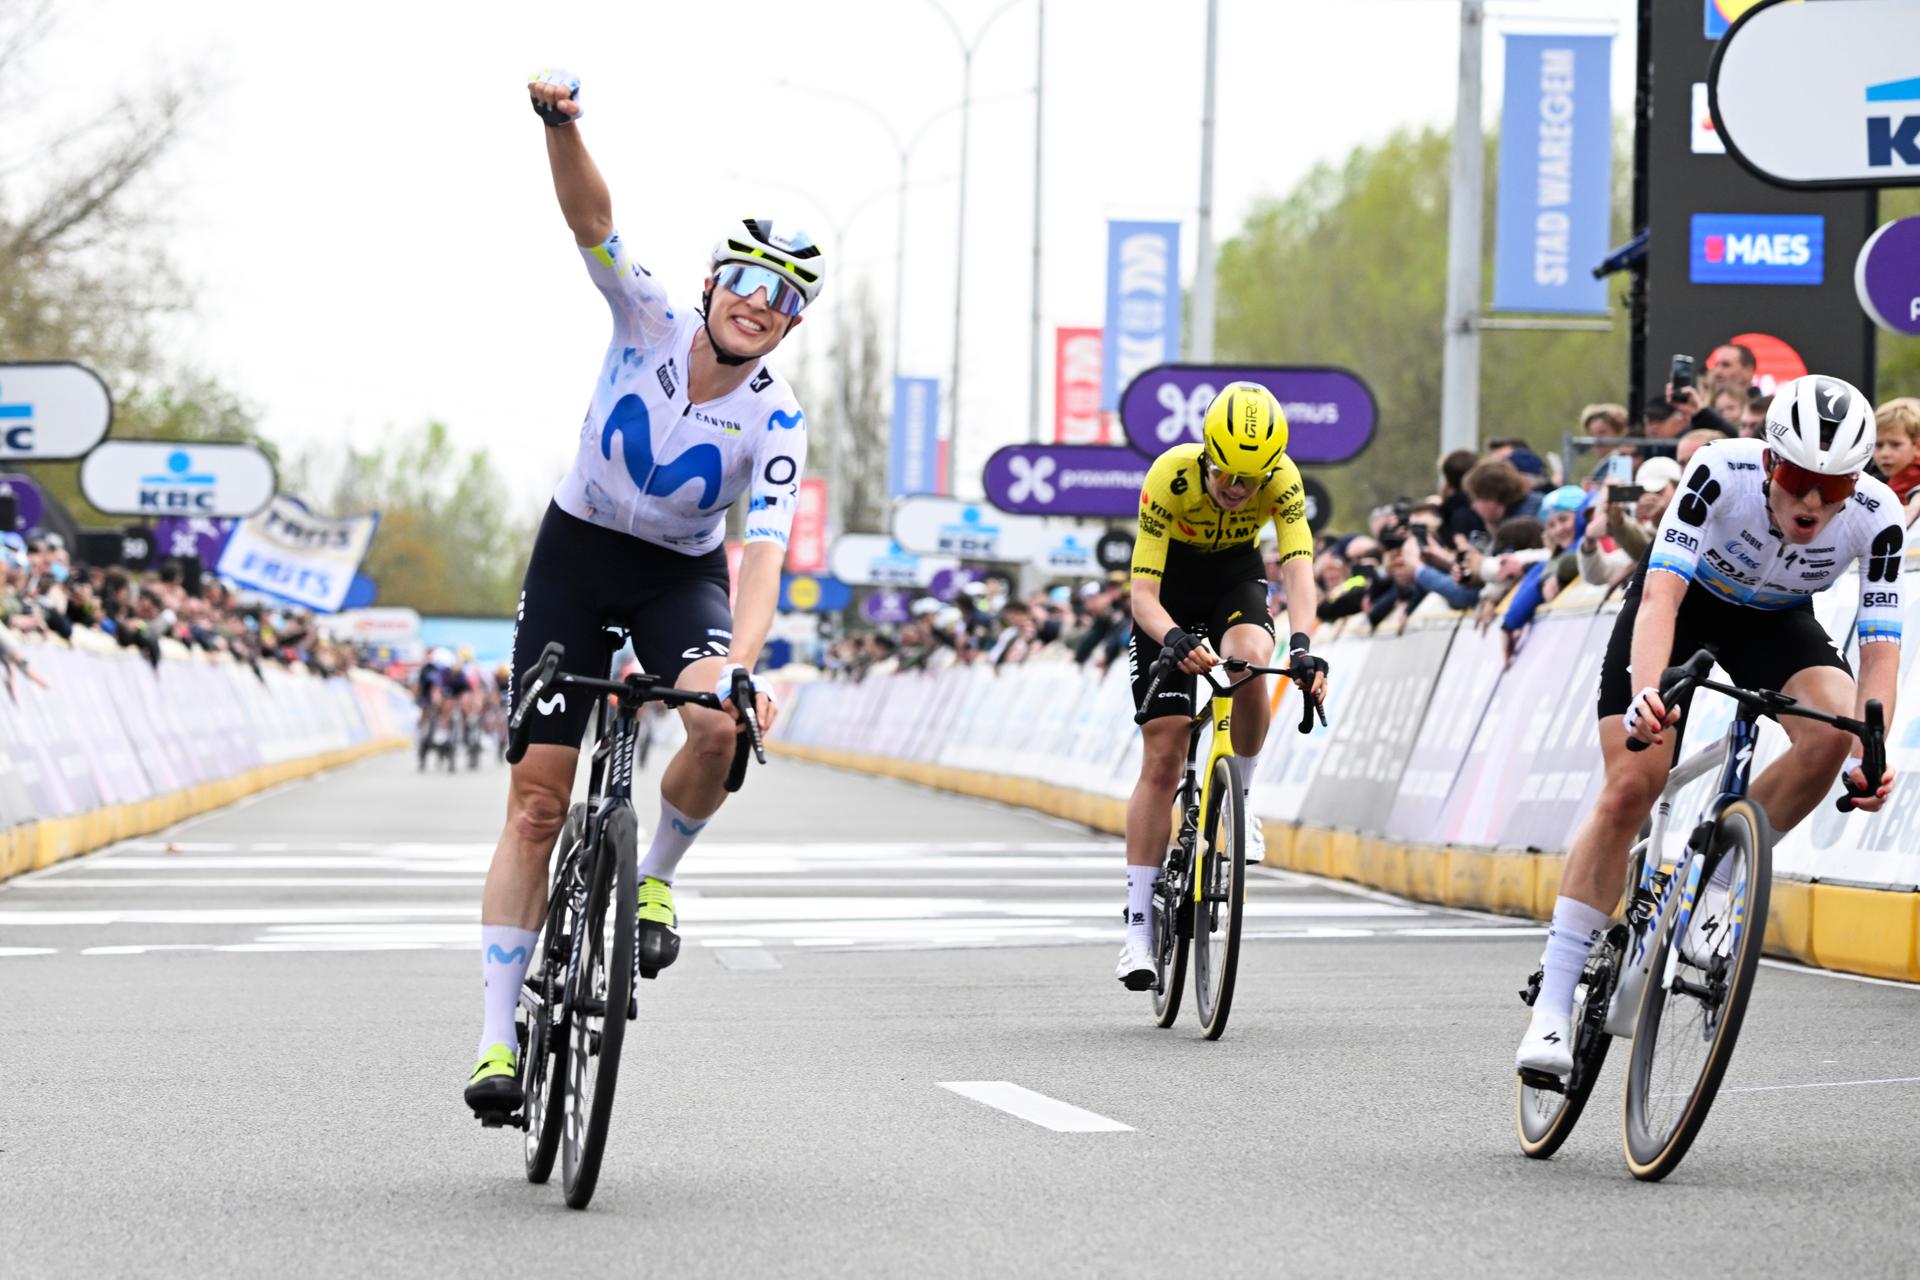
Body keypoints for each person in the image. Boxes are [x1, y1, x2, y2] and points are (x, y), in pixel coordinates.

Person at [466, 68, 819, 1116]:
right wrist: (559, 125)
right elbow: (592, 220)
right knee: (537, 801)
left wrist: (740, 664)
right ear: (713, 285)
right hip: (574, 555)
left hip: (677, 576)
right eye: (748, 282)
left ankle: (658, 869)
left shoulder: (779, 420)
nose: (761, 304)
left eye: (785, 298)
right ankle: (495, 1039)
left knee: (718, 725)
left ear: (794, 325)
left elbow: (761, 554)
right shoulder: (648, 314)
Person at [1517, 376, 1902, 1079]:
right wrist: (1644, 692)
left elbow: (1880, 645)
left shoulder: (1877, 517)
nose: (1813, 501)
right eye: (1797, 478)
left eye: (1835, 486)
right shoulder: (1717, 469)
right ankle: (1554, 999)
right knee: (1634, 783)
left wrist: (1872, 747)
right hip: (1684, 605)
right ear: (1768, 464)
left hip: (1778, 622)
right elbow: (1661, 593)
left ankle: (1722, 887)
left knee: (1836, 730)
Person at [1120, 381, 1327, 989]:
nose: (1239, 490)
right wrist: (1175, 639)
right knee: (1164, 754)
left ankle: (1243, 795)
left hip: (1235, 575)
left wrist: (1305, 646)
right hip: (1171, 588)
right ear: (1207, 455)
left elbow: (1299, 572)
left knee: (1253, 660)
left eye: (1251, 479)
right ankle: (1136, 928)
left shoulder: (1283, 480)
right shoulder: (1170, 475)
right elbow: (1141, 596)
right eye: (1227, 476)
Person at [1871, 396, 1920, 507]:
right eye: (1878, 445)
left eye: (1895, 445)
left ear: (1917, 447)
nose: (1885, 454)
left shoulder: (1912, 477)